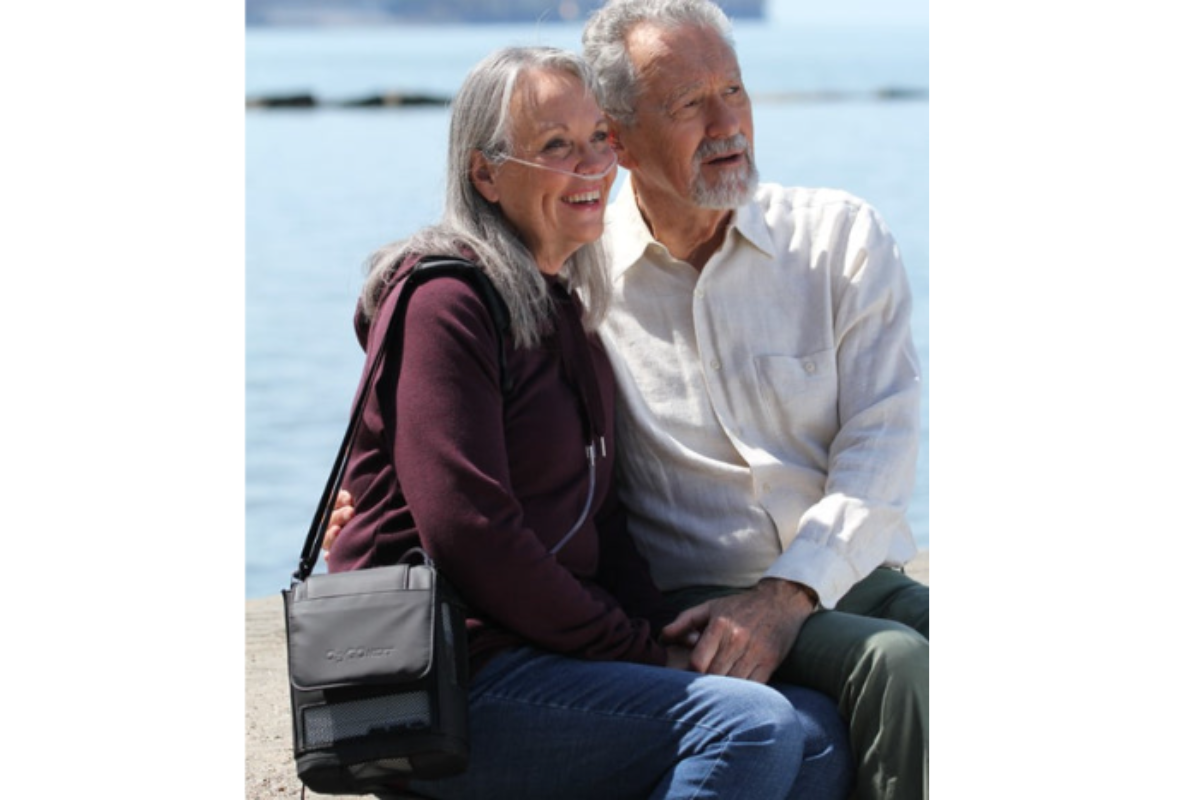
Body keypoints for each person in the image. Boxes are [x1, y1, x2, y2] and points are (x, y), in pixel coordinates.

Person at [325, 45, 852, 800]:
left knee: (816, 734)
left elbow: (602, 524)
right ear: (485, 174)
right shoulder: (447, 304)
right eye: (555, 147)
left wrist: (656, 638)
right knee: (749, 726)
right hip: (447, 683)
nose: (592, 166)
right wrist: (632, 648)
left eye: (599, 139)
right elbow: (471, 532)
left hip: (551, 659)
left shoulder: (562, 310)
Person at [579, 2, 929, 798]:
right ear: (618, 138)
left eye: (732, 91)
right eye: (688, 104)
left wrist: (792, 593)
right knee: (898, 661)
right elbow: (467, 365)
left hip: (847, 572)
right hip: (697, 591)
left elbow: (883, 439)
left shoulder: (840, 238)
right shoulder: (577, 277)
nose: (726, 122)